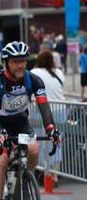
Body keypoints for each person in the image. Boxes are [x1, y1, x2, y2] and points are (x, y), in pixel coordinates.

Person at [0, 41, 60, 200]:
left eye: (23, 61)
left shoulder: (33, 80)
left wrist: (50, 128)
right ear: (7, 62)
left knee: (34, 149)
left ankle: (25, 179)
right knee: (1, 160)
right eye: (15, 61)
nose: (20, 65)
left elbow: (44, 106)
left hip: (20, 123)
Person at [31, 50, 66, 185]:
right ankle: (55, 175)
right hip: (60, 110)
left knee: (41, 141)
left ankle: (43, 171)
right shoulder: (58, 72)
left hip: (42, 110)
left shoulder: (34, 72)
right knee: (57, 141)